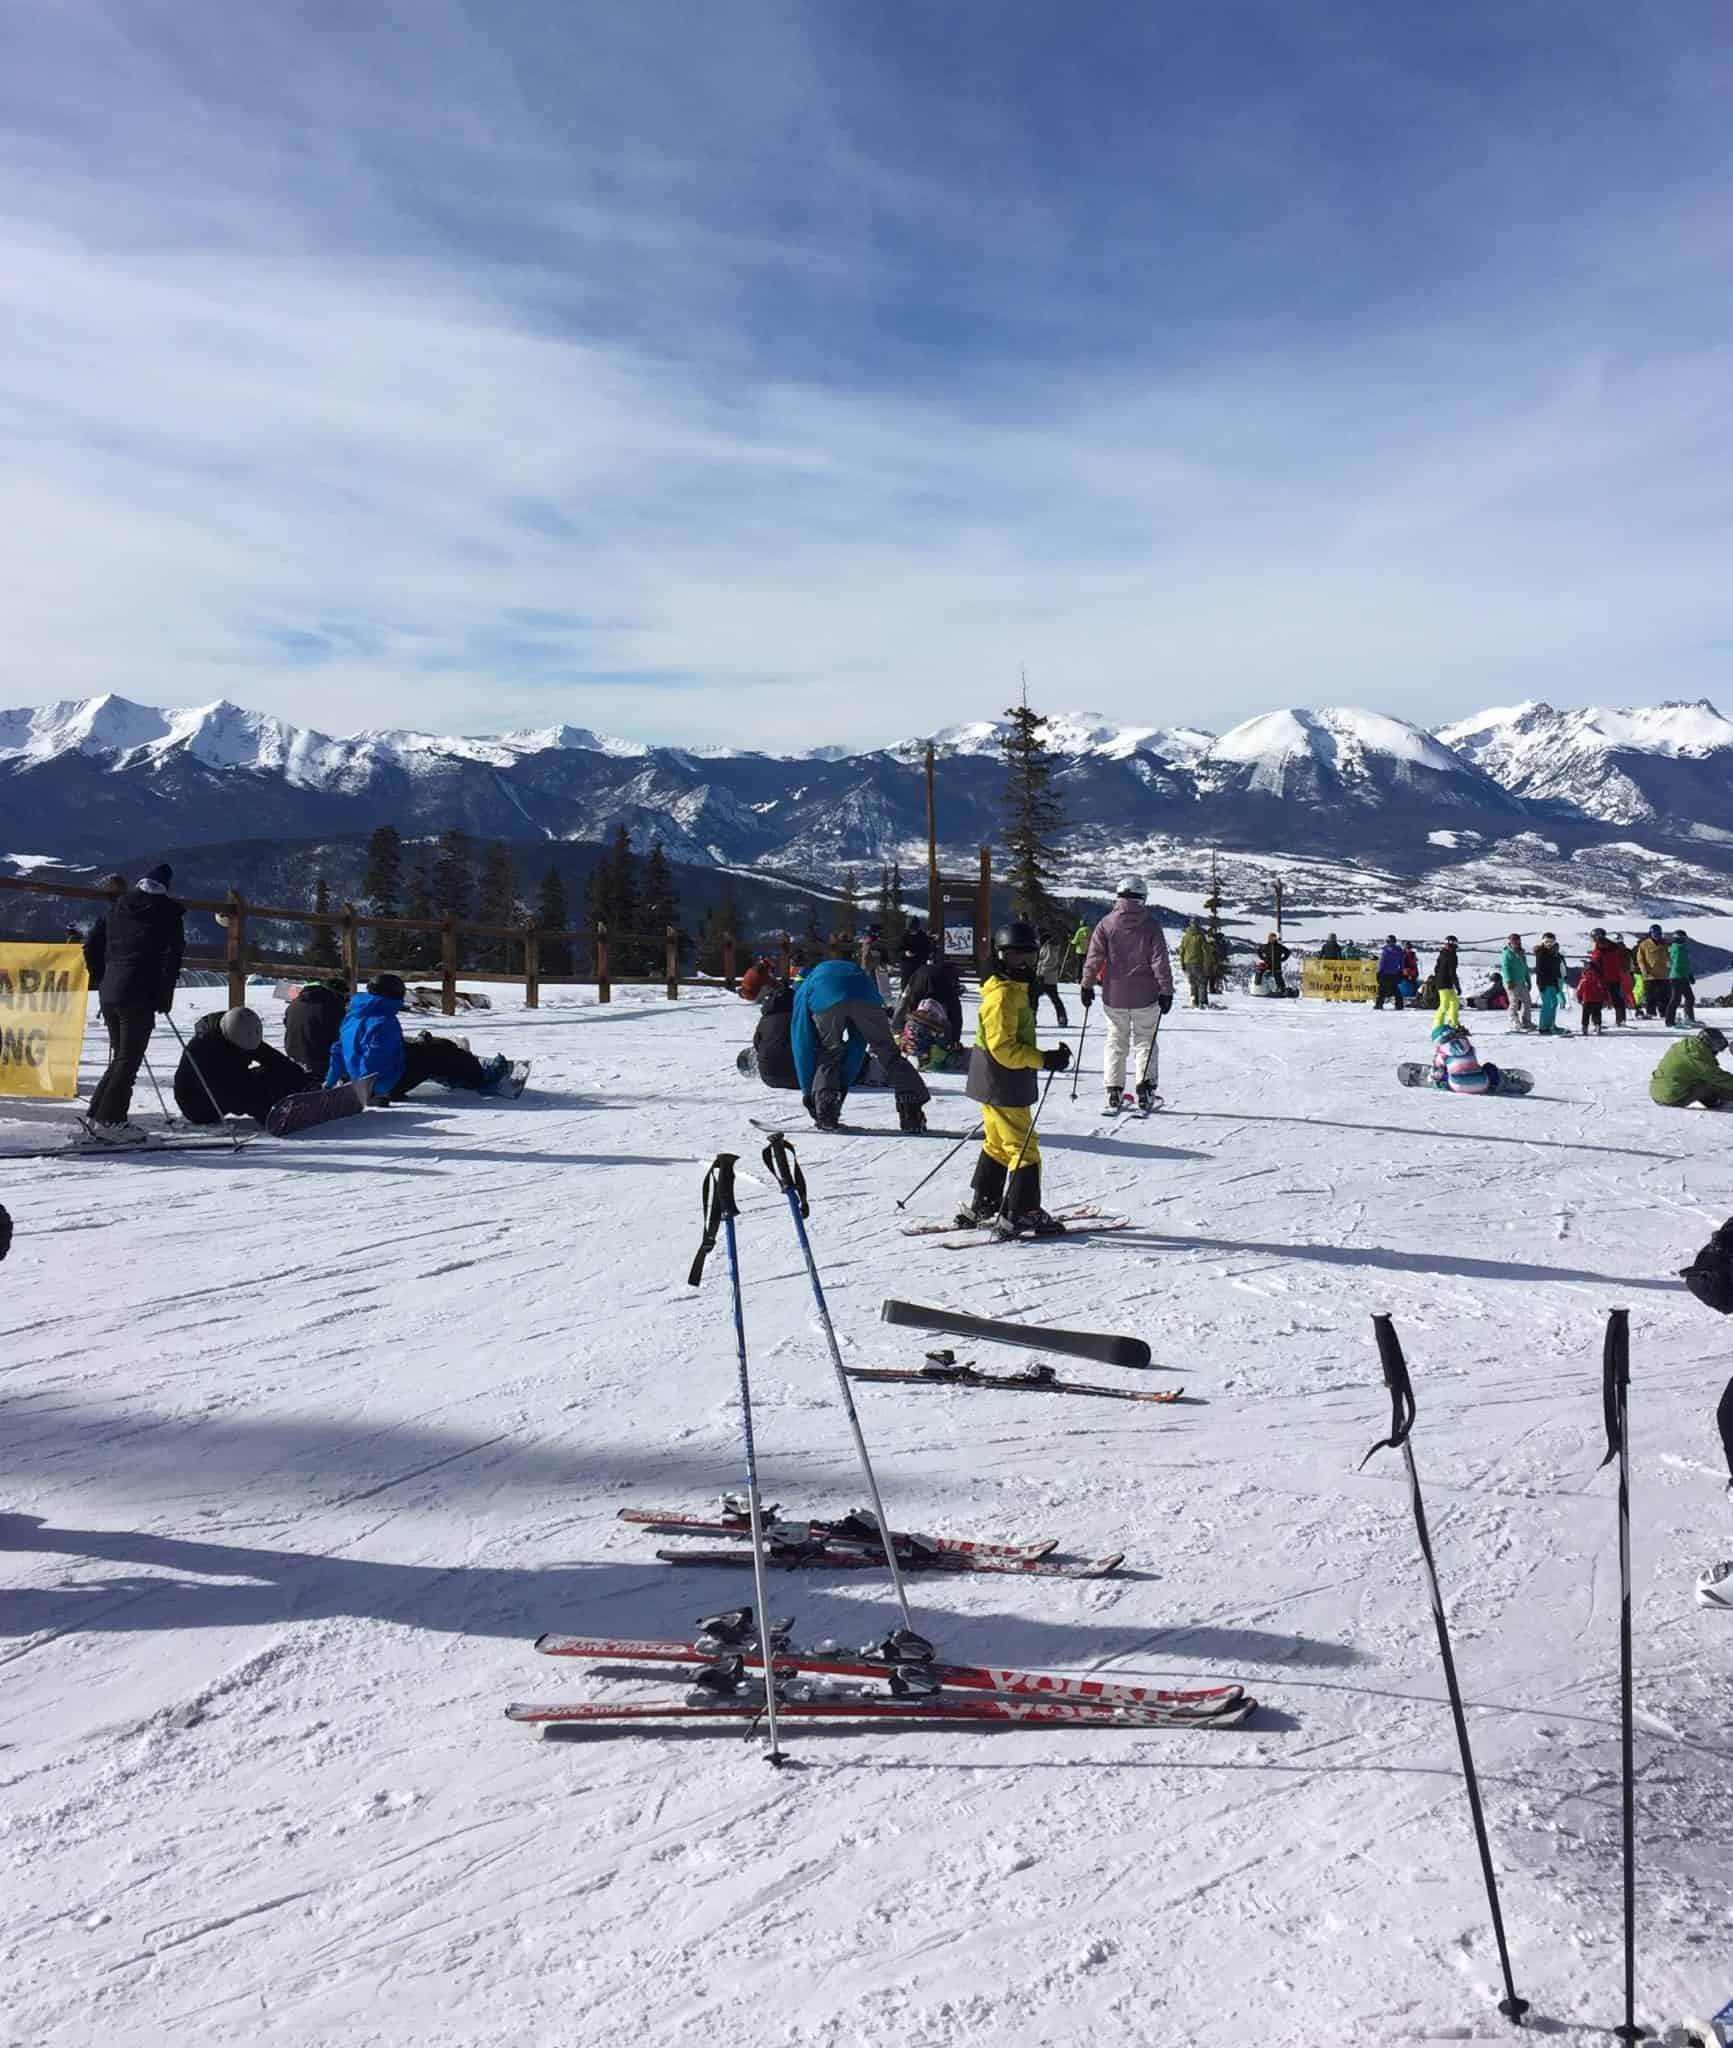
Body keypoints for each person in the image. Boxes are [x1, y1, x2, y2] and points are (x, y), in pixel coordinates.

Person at [956, 920, 1072, 1236]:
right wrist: (1044, 1059)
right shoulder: (1004, 994)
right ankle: (1023, 1211)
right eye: (1014, 957)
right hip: (1001, 1080)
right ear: (1000, 956)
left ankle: (986, 1201)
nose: (1022, 964)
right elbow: (1003, 1048)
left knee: (997, 1142)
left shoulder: (1013, 989)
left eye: (1028, 957)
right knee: (1023, 1147)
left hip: (992, 1079)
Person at [80, 864, 185, 1145]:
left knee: (120, 1057)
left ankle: (97, 1117)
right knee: (129, 1059)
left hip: (110, 992)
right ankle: (112, 1121)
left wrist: (102, 977)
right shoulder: (168, 914)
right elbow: (171, 961)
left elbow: (90, 944)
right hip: (139, 994)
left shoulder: (118, 907)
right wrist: (164, 997)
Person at [791, 943, 930, 1132]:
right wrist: (845, 1081)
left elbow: (802, 1043)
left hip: (828, 1000)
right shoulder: (836, 971)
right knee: (888, 1053)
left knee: (830, 1052)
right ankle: (911, 1110)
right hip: (866, 996)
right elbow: (858, 1042)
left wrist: (810, 1093)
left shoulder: (804, 988)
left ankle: (826, 1110)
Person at [325, 974, 518, 1103]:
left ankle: (456, 1070)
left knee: (428, 1048)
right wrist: (373, 1092)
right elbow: (376, 1057)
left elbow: (338, 1049)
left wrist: (331, 1081)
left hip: (360, 1078)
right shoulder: (384, 1020)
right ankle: (483, 1078)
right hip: (383, 1085)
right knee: (439, 1051)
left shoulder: (353, 1015)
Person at [1080, 877, 1173, 1112]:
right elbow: (1159, 961)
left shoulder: (1106, 924)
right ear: (1142, 898)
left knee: (1116, 1039)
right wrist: (1166, 990)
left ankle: (1114, 1090)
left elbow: (1094, 957)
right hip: (1146, 995)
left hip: (1114, 995)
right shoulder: (1151, 925)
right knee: (1145, 1040)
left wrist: (1087, 984)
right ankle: (1146, 1089)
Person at [174, 1008, 308, 1124]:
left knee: (274, 1072)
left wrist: (299, 1076)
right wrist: (263, 1110)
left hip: (227, 1083)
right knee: (259, 1087)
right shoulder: (203, 1050)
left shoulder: (241, 1029)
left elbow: (272, 1058)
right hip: (199, 1106)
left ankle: (297, 1091)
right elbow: (230, 1096)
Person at [892, 951, 965, 1053]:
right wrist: (955, 1039)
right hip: (925, 981)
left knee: (909, 1006)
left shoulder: (932, 970)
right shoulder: (949, 978)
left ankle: (902, 1032)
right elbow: (955, 1013)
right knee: (931, 1013)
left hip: (918, 979)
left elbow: (906, 1000)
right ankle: (915, 1035)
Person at [1650, 1027, 1733, 1109]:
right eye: (1716, 1048)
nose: (1716, 1052)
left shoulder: (1687, 1047)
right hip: (1670, 1097)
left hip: (1657, 1091)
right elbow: (1719, 1078)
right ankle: (1718, 1102)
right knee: (1707, 1083)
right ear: (1708, 1044)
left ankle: (1715, 1100)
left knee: (1699, 1079)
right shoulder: (1698, 1057)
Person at [283, 976, 348, 1077]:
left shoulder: (295, 1003)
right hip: (321, 1063)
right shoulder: (333, 1006)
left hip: (294, 1057)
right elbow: (343, 1037)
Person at [1426, 1020, 1504, 1096]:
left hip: (1458, 1086)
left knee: (1444, 1072)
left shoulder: (1442, 1052)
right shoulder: (1467, 1044)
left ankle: (1443, 1084)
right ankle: (1494, 1084)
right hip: (1482, 1084)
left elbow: (1437, 1071)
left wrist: (1433, 1078)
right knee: (1489, 1066)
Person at [746, 980, 799, 1089]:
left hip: (768, 1078)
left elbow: (757, 1044)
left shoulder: (765, 1019)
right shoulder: (799, 1018)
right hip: (798, 1078)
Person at [1533, 933, 1566, 1036]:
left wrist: (1557, 983)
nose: (1548, 944)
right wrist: (1541, 984)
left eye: (1551, 942)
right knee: (1548, 1004)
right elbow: (1539, 970)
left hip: (1552, 982)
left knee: (1554, 1003)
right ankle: (1543, 1027)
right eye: (1546, 942)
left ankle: (1551, 1024)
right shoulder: (1541, 953)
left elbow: (1556, 970)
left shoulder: (1553, 953)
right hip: (1544, 983)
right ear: (1543, 942)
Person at [1635, 924, 1671, 1019]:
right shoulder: (1644, 944)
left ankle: (1663, 1012)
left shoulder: (1665, 944)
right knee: (1650, 994)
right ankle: (1651, 1012)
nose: (1656, 935)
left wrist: (1670, 967)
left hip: (1663, 974)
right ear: (1650, 933)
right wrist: (1644, 970)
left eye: (1658, 933)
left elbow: (1670, 957)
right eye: (1654, 933)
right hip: (1649, 974)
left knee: (1663, 994)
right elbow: (1640, 959)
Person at [1500, 935, 1533, 1031]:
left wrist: (1528, 980)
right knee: (1514, 1003)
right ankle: (1514, 1022)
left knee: (1527, 1001)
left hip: (1521, 981)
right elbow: (1505, 968)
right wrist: (1509, 980)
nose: (1516, 943)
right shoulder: (1506, 954)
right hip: (1512, 982)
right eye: (1514, 941)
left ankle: (1526, 1022)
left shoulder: (1521, 953)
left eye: (1518, 941)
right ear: (1510, 942)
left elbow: (1525, 968)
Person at [1178, 918, 1212, 1008]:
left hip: (1187, 963)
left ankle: (1194, 1001)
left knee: (1193, 983)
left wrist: (1182, 963)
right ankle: (1202, 1002)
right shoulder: (1200, 936)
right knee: (1201, 982)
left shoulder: (1185, 937)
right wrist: (1208, 963)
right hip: (1198, 963)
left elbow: (1181, 951)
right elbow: (1206, 951)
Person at [1666, 930, 1697, 1026]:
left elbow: (1684, 964)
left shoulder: (1680, 948)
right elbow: (1677, 965)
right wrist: (1683, 975)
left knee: (1689, 998)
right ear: (1678, 939)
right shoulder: (1678, 949)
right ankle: (1669, 1021)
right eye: (1683, 938)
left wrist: (1689, 974)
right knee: (1676, 1000)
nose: (1684, 940)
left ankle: (1689, 1018)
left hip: (1681, 976)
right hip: (1677, 977)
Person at [1432, 935, 1461, 1029]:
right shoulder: (1450, 956)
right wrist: (1457, 986)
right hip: (1443, 983)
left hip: (1445, 983)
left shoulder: (1443, 953)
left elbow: (1436, 968)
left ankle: (1454, 1023)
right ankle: (1437, 1025)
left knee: (1454, 1002)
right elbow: (1452, 972)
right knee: (1445, 1005)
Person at [1576, 955, 1609, 1034]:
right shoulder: (1598, 978)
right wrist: (1605, 997)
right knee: (1597, 1014)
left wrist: (1579, 997)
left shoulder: (1584, 978)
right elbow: (1603, 988)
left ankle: (1585, 1027)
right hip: (1597, 999)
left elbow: (1579, 989)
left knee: (1585, 1014)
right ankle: (1598, 1026)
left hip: (1586, 999)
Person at [1374, 935, 1405, 1011]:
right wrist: (1401, 971)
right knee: (1395, 989)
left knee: (1382, 990)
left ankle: (1379, 1005)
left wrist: (1379, 972)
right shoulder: (1399, 950)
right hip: (1394, 973)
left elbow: (1382, 962)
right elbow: (1402, 962)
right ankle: (1399, 1005)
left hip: (1385, 973)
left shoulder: (1386, 951)